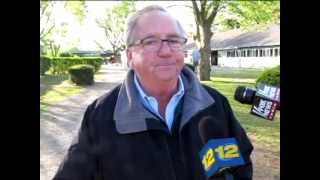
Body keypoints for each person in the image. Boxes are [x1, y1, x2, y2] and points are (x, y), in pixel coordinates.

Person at [53, 5, 253, 180]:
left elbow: (239, 167)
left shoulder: (214, 104)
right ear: (130, 56)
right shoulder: (101, 116)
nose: (165, 51)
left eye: (173, 40)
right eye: (150, 41)